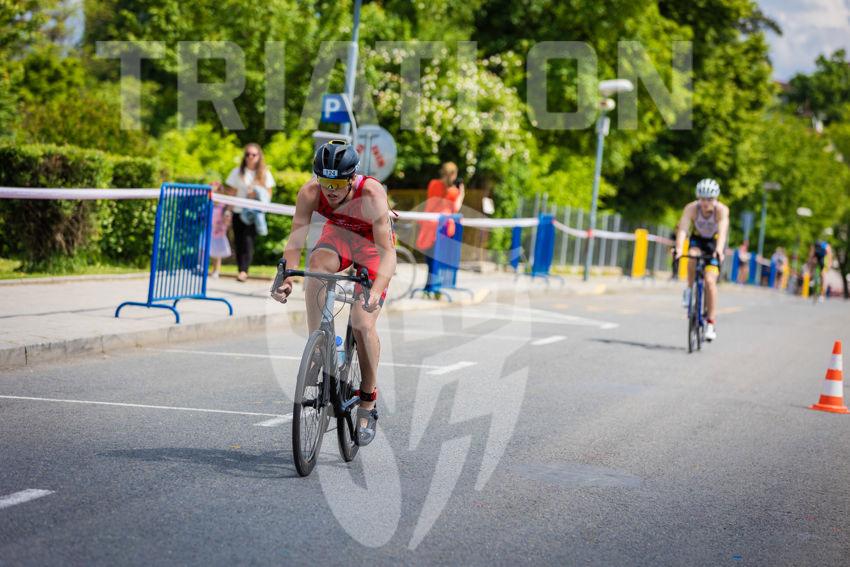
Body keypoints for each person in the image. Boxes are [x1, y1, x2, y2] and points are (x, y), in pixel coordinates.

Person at [270, 141, 396, 446]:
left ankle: (368, 399)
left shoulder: (371, 194)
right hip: (339, 236)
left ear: (351, 178)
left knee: (362, 325)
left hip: (372, 245)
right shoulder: (310, 192)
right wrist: (285, 277)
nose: (331, 190)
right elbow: (296, 239)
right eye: (325, 182)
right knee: (316, 266)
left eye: (338, 184)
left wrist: (376, 292)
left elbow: (388, 253)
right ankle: (318, 344)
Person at [674, 178, 730, 342]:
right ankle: (689, 289)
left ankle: (710, 323)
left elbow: (723, 232)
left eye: (710, 199)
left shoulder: (721, 210)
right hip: (698, 241)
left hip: (714, 243)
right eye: (702, 199)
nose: (706, 203)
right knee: (692, 255)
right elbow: (683, 230)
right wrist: (679, 249)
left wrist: (719, 250)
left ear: (715, 198)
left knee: (710, 282)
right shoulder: (691, 208)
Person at [224, 143, 274, 282]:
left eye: (253, 154)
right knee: (238, 241)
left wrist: (257, 193)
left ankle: (244, 271)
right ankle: (240, 269)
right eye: (247, 154)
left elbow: (268, 195)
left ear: (259, 156)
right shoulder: (237, 172)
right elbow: (232, 193)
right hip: (238, 212)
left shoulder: (264, 173)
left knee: (248, 241)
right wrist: (228, 212)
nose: (250, 157)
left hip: (254, 214)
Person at [415, 162, 465, 293]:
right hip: (444, 227)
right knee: (438, 258)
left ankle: (429, 286)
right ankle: (434, 287)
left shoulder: (433, 184)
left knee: (430, 257)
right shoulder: (454, 192)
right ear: (454, 175)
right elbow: (455, 208)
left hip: (429, 224)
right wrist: (461, 194)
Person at [208, 181, 232, 278]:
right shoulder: (208, 203)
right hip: (208, 231)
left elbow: (227, 219)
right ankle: (204, 268)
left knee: (217, 254)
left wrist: (227, 219)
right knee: (206, 251)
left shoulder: (223, 205)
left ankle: (216, 270)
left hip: (219, 232)